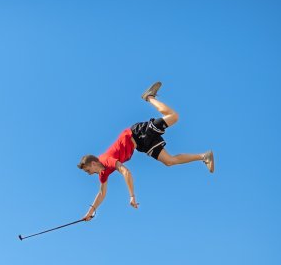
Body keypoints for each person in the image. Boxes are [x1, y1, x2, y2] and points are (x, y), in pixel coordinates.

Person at [77, 81, 214, 221]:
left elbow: (126, 172)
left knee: (174, 117)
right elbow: (101, 193)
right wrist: (90, 212)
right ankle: (204, 156)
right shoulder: (103, 172)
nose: (89, 174)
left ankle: (149, 97)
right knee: (169, 161)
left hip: (137, 133)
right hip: (142, 144)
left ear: (93, 163)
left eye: (88, 170)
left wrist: (132, 196)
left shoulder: (106, 160)